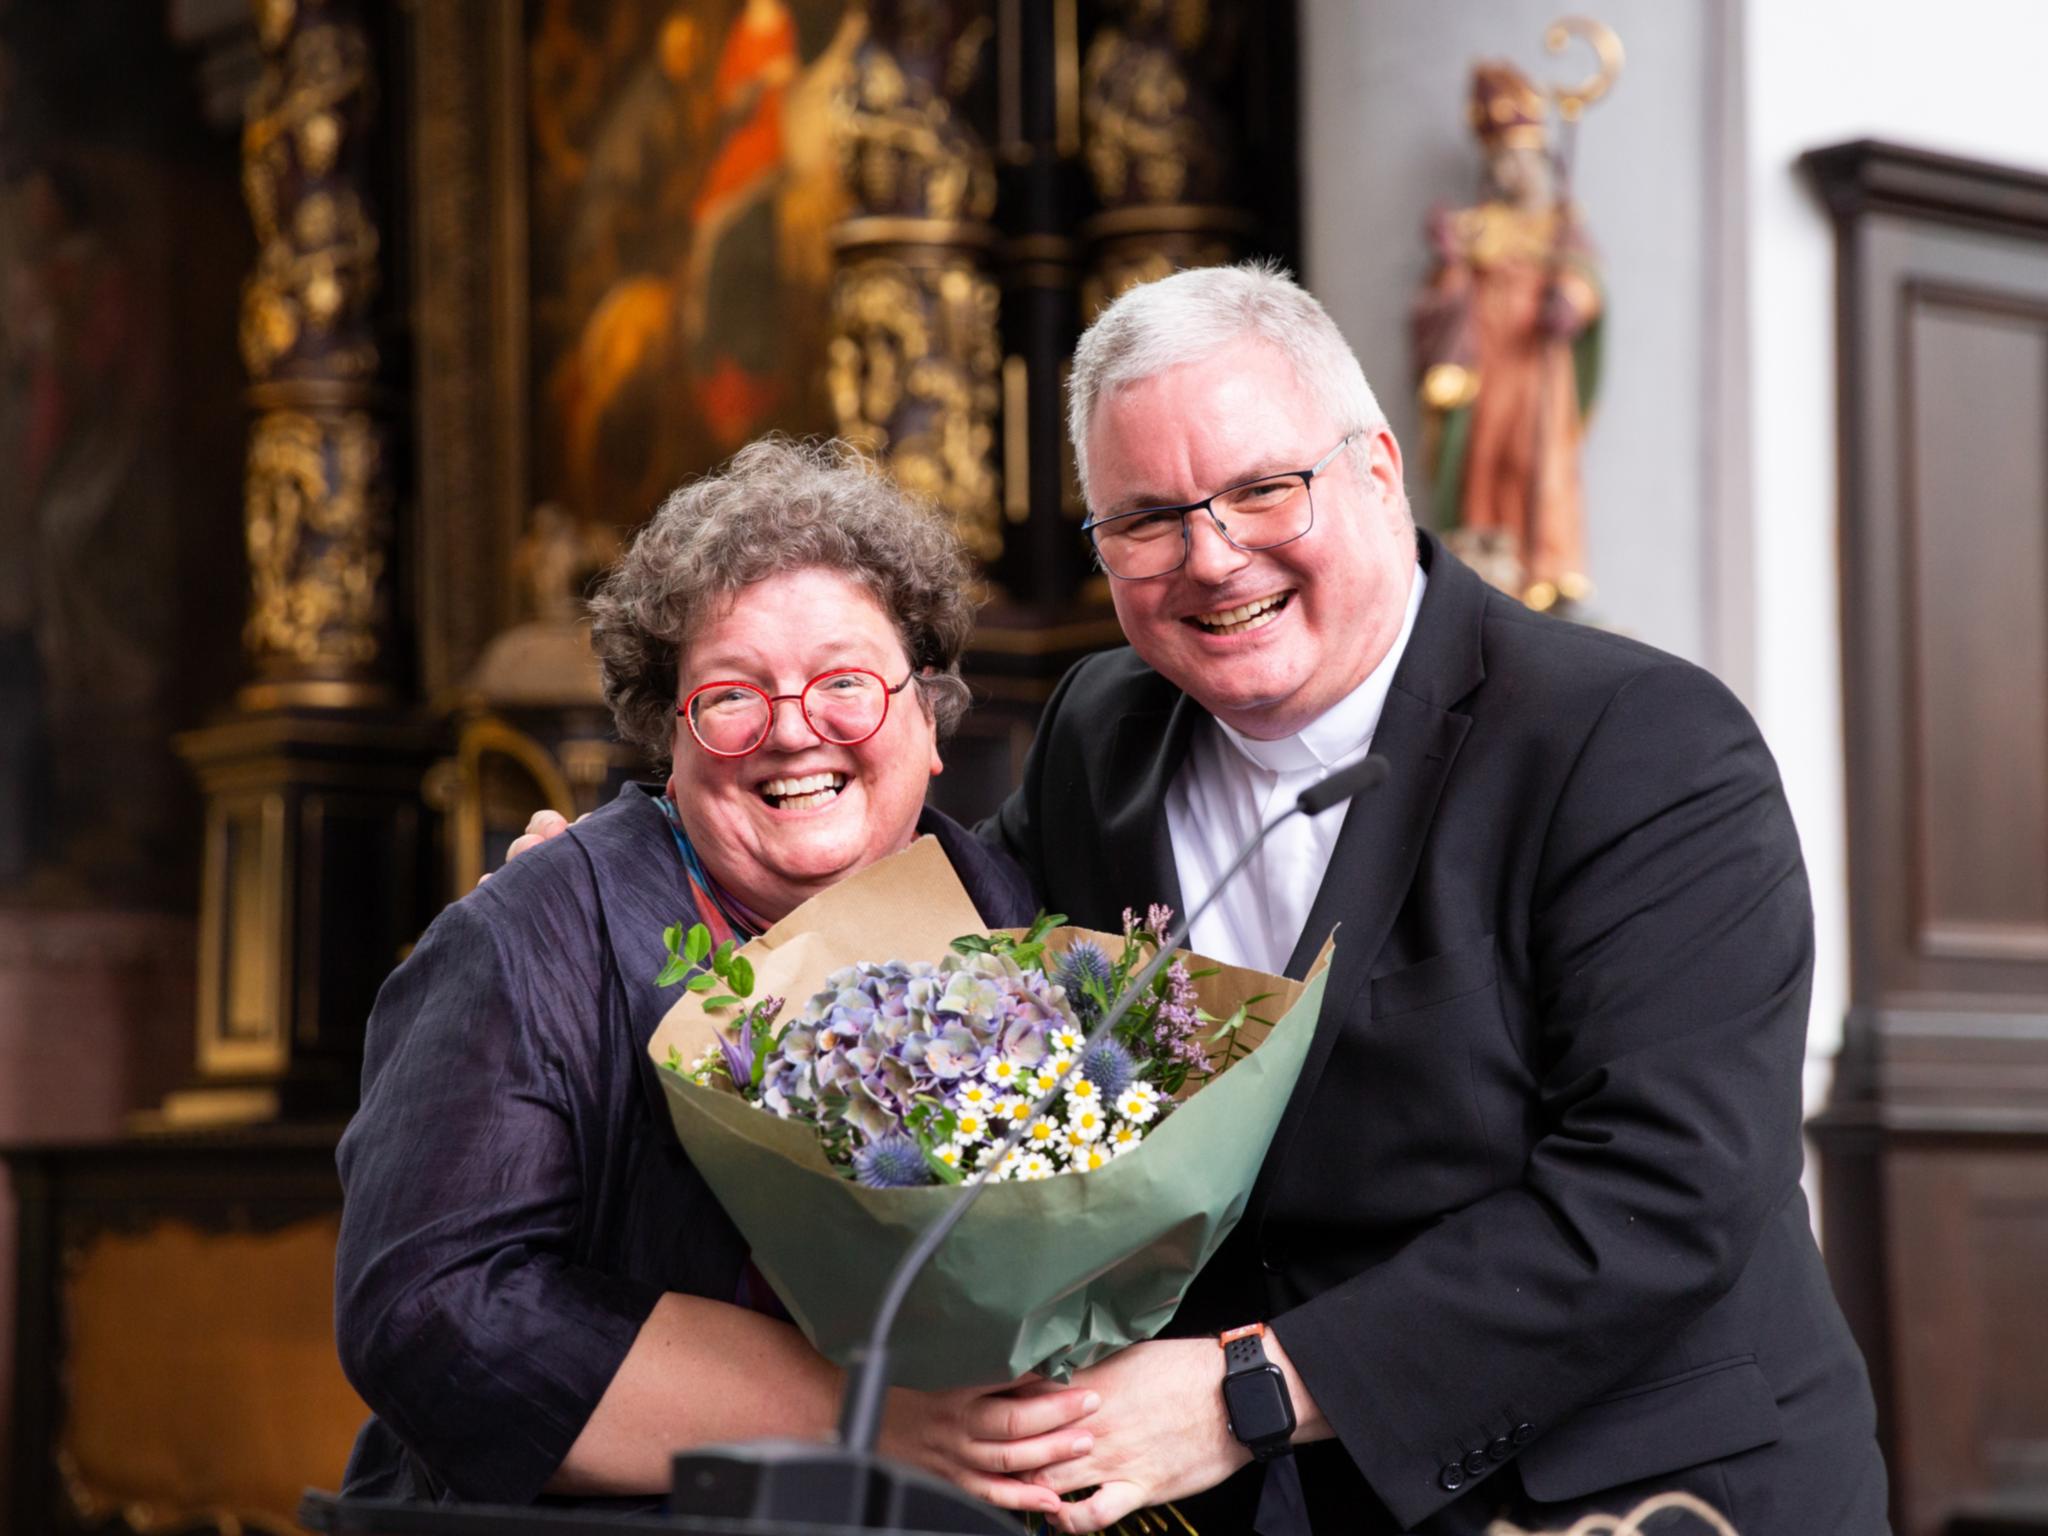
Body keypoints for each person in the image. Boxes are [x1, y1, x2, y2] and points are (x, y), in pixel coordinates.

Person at [984, 263, 1887, 1534]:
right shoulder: (1099, 732)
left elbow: (1665, 1187)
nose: (1209, 555)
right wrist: (644, 850)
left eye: (1260, 488)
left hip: (1632, 1492)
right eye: (1145, 519)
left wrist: (1251, 1390)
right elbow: (952, 948)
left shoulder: (1633, 740)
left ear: (1377, 466)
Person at [333, 439, 1099, 1515]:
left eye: (844, 681)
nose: (792, 729)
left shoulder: (1004, 917)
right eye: (732, 694)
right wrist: (864, 1416)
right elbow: (431, 1312)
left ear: (927, 718)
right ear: (671, 739)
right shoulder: (530, 938)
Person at [1411, 60, 1603, 612]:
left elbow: (1587, 281)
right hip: (1486, 363)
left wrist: (1569, 299)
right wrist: (1449, 264)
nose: (1512, 172)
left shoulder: (1562, 224)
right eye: (1501, 161)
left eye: (1520, 160)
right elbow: (1445, 295)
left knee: (1540, 462)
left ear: (1542, 160)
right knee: (1486, 462)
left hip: (1537, 359)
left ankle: (1549, 568)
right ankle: (1488, 572)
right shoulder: (1475, 225)